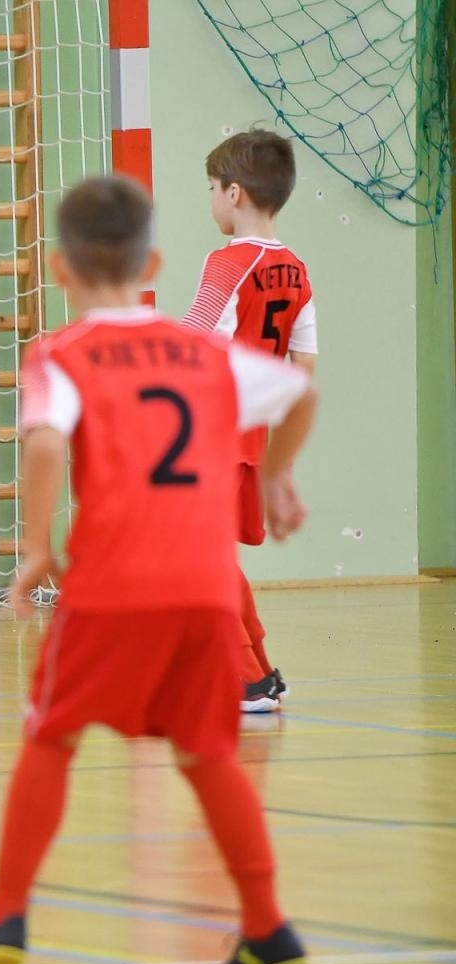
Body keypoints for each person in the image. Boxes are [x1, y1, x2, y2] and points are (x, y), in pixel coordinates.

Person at [0, 174, 318, 964]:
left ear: (59, 270)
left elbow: (45, 446)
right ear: (154, 262)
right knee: (208, 752)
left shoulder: (61, 352)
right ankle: (266, 925)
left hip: (114, 588)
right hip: (208, 588)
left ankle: (5, 914)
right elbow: (299, 391)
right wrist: (279, 479)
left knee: (51, 736)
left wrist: (38, 547)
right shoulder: (209, 353)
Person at [182, 130, 318, 713]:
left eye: (211, 188)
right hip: (255, 435)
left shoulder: (225, 263)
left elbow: (194, 344)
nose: (210, 198)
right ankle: (258, 672)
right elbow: (304, 364)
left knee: (199, 557)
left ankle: (243, 681)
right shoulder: (297, 270)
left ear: (233, 193)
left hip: (212, 431)